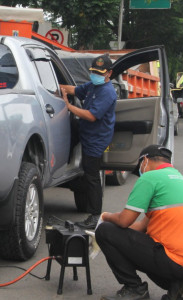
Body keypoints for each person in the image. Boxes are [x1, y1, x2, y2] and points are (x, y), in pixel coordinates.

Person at [95, 145, 183, 300]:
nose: (140, 172)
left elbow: (124, 221)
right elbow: (142, 227)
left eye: (140, 167)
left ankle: (134, 289)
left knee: (105, 231)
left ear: (146, 160)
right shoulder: (181, 180)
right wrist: (121, 238)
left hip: (172, 259)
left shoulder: (150, 178)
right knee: (148, 243)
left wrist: (105, 217)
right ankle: (178, 285)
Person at [60, 54, 117, 229]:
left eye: (100, 73)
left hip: (96, 139)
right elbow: (75, 90)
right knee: (69, 133)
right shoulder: (93, 86)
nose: (96, 75)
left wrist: (69, 107)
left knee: (91, 176)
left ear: (109, 73)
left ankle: (95, 215)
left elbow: (91, 116)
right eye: (93, 72)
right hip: (85, 131)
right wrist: (58, 88)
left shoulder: (107, 92)